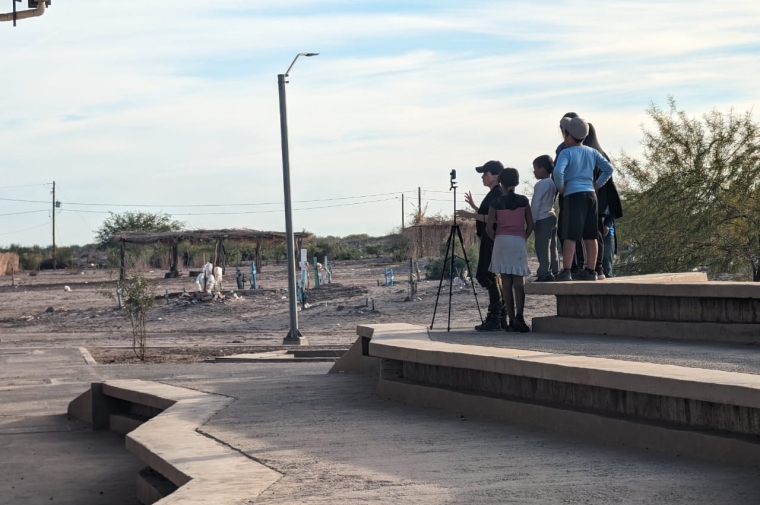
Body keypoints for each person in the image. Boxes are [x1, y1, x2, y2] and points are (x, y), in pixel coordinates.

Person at [553, 116, 614, 281]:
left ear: (568, 135)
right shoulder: (592, 152)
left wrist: (560, 187)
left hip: (573, 195)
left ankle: (566, 270)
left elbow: (558, 172)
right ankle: (591, 270)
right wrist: (597, 184)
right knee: (591, 234)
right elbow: (608, 169)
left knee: (570, 234)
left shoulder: (566, 152)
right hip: (591, 195)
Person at [456, 160, 505, 331]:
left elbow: (493, 218)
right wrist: (474, 207)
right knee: (490, 275)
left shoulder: (497, 192)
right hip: (489, 238)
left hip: (492, 238)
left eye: (485, 174)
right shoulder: (494, 193)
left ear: (496, 176)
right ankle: (499, 315)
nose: (483, 177)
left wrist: (468, 214)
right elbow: (486, 214)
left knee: (487, 275)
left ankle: (497, 316)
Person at [486, 168, 534, 332]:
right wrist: (523, 237)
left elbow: (489, 228)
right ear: (517, 182)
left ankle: (512, 320)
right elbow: (531, 224)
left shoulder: (496, 201)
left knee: (505, 282)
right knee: (519, 282)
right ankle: (520, 316)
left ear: (502, 182)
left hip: (501, 241)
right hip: (518, 241)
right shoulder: (523, 200)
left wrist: (498, 239)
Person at [583, 124, 623, 278]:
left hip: (604, 219)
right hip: (596, 216)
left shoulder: (597, 157)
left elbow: (609, 195)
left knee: (606, 263)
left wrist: (607, 222)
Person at [531, 155, 559, 281]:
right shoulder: (552, 183)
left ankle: (544, 272)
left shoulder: (540, 185)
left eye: (535, 168)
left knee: (542, 246)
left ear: (542, 169)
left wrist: (532, 220)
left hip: (542, 218)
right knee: (552, 245)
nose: (534, 171)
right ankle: (555, 268)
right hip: (552, 216)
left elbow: (536, 204)